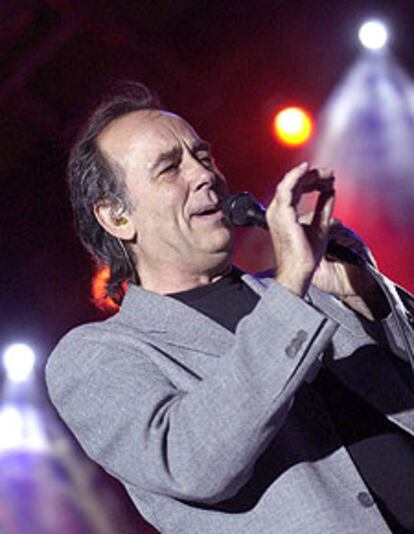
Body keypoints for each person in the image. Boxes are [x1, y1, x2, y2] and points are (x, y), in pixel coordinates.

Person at [46, 83, 414, 534]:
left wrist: (365, 293)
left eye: (202, 156)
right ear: (117, 216)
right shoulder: (97, 354)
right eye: (169, 168)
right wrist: (291, 285)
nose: (204, 175)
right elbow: (190, 461)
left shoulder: (297, 291)